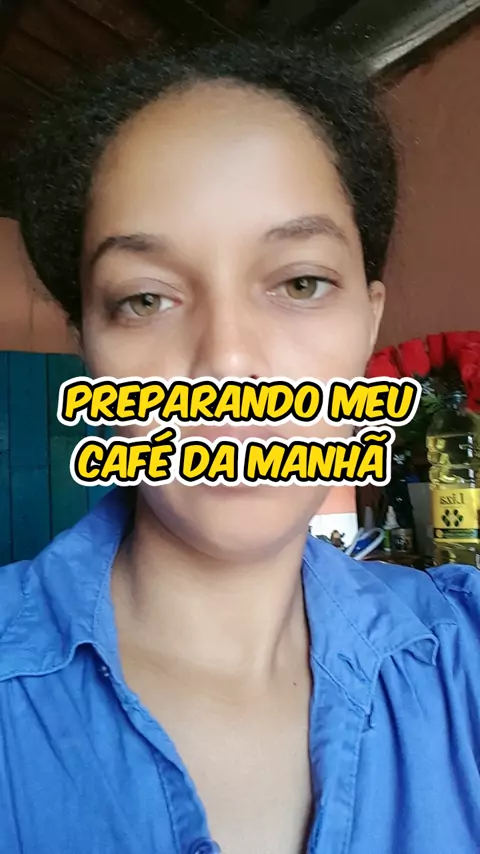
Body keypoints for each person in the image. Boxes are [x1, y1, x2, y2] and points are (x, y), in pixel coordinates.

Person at [2, 33, 480, 854]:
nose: (227, 359)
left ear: (368, 322)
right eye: (145, 299)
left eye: (301, 282)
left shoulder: (462, 657)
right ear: (87, 345)